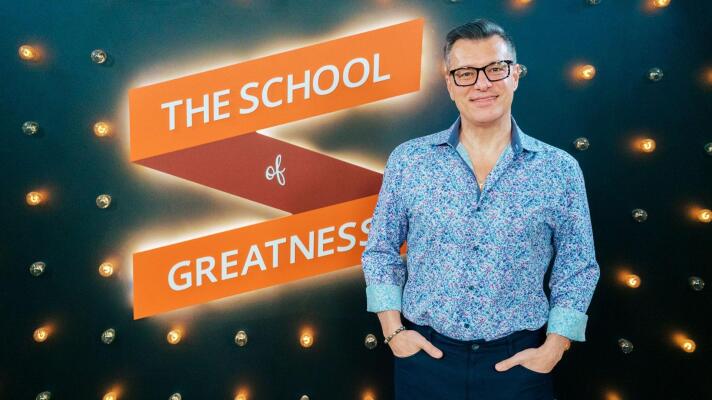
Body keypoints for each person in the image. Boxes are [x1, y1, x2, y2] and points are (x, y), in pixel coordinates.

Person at [361, 18, 600, 400]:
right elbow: (380, 250)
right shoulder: (409, 160)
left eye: (495, 68)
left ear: (515, 74)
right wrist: (393, 331)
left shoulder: (559, 169)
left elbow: (578, 265)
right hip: (425, 362)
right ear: (449, 83)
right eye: (466, 73)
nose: (482, 83)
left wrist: (555, 347)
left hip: (519, 367)